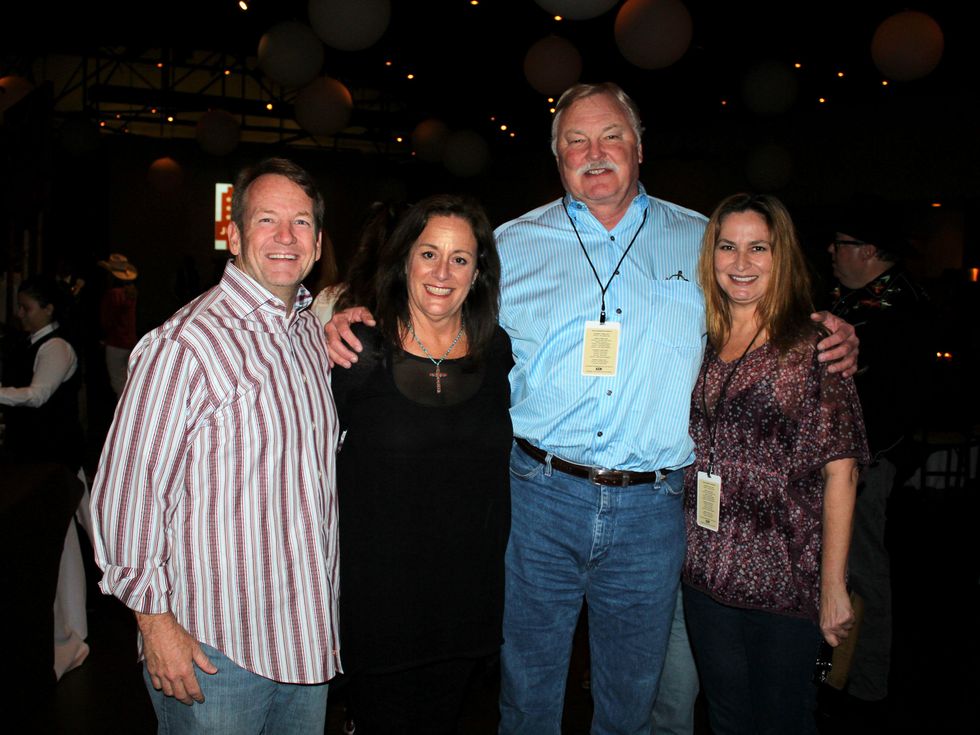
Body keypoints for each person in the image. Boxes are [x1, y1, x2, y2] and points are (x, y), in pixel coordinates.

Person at [326, 83, 858, 735]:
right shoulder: (509, 247)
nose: (594, 152)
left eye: (611, 136)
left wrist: (829, 332)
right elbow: (432, 312)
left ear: (639, 147)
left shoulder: (702, 243)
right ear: (558, 158)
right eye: (575, 140)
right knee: (527, 691)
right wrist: (347, 314)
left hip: (651, 509)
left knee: (628, 699)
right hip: (539, 498)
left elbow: (761, 312)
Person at [91, 158, 340, 734]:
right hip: (216, 649)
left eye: (301, 223)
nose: (285, 237)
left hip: (305, 640)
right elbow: (125, 495)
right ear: (234, 235)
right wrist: (155, 626)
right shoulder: (184, 345)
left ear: (319, 241)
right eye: (266, 221)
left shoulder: (306, 331)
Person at [681, 193, 868, 734]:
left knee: (783, 721)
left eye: (758, 248)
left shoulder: (812, 347)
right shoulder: (702, 339)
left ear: (780, 255)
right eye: (728, 247)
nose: (741, 264)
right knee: (726, 718)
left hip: (784, 579)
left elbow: (843, 470)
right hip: (705, 575)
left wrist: (832, 586)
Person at [332, 194, 512, 733]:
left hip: (464, 605)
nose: (442, 271)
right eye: (428, 253)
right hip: (382, 606)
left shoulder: (495, 350)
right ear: (404, 258)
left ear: (478, 273)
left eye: (460, 258)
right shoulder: (358, 350)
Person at [827, 214, 929, 706]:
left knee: (864, 567)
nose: (831, 251)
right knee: (840, 568)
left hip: (869, 461)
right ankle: (834, 671)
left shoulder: (897, 307)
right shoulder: (851, 300)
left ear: (868, 250)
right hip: (847, 458)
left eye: (841, 243)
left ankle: (865, 685)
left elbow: (890, 395)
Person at [1, 275, 91, 680]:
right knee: (82, 546)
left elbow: (37, 395)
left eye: (27, 307)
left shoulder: (56, 346)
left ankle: (74, 638)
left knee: (80, 548)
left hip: (58, 464)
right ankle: (73, 637)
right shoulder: (36, 344)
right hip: (48, 463)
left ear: (49, 309)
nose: (20, 314)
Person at [97, 253, 139, 397]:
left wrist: (103, 337)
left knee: (118, 383)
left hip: (115, 343)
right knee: (128, 380)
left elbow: (108, 320)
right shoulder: (131, 293)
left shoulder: (113, 294)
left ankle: (125, 413)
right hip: (130, 342)